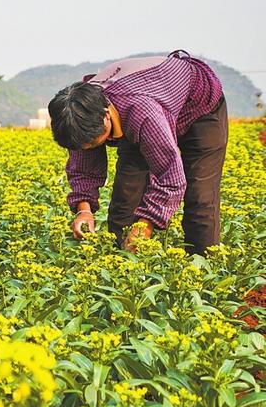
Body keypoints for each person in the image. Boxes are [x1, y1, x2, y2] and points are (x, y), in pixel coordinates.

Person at [47, 50, 227, 255]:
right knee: (125, 199)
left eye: (93, 142)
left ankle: (203, 266)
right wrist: (84, 210)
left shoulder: (142, 112)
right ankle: (119, 264)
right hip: (143, 111)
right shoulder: (76, 117)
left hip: (199, 107)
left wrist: (145, 226)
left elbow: (171, 178)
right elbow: (83, 170)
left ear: (106, 116)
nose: (88, 148)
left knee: (200, 197)